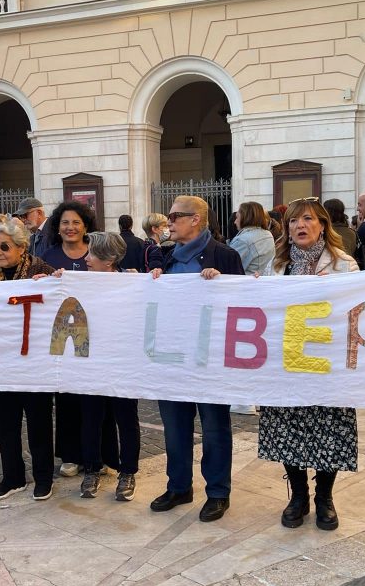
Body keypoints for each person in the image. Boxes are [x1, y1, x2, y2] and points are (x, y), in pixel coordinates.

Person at [258, 197, 358, 531]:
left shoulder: (344, 264)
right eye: (294, 221)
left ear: (323, 225)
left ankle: (324, 498)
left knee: (327, 430)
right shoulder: (277, 265)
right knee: (289, 429)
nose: (300, 226)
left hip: (327, 364)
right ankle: (298, 495)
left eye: (308, 219)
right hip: (286, 363)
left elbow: (354, 308)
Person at [150, 195, 244, 522]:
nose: (170, 221)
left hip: (210, 359)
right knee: (174, 428)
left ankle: (218, 492)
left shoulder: (225, 256)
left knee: (215, 427)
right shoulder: (163, 257)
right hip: (170, 357)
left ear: (196, 220)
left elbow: (243, 305)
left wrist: (223, 286)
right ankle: (179, 486)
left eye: (176, 216)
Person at [0, 216, 57, 501]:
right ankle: (12, 477)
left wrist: (51, 281)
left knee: (38, 422)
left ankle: (43, 477)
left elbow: (61, 294)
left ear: (21, 248)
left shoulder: (40, 270)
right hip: (2, 365)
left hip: (34, 364)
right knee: (6, 424)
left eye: (4, 247)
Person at [75, 231, 141, 501]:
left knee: (126, 419)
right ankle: (92, 467)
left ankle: (128, 471)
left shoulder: (133, 282)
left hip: (124, 364)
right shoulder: (78, 282)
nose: (86, 258)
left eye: (91, 254)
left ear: (109, 258)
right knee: (91, 419)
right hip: (91, 363)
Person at [42, 200, 97, 477]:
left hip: (96, 337)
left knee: (94, 399)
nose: (70, 227)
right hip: (62, 340)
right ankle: (70, 455)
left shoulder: (98, 252)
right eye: (65, 222)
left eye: (76, 222)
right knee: (66, 398)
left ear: (85, 225)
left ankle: (95, 454)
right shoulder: (48, 255)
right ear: (58, 227)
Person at [229, 201, 275, 275]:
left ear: (245, 217)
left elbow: (228, 269)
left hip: (246, 284)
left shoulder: (242, 240)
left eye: (237, 217)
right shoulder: (268, 234)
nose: (235, 222)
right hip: (262, 281)